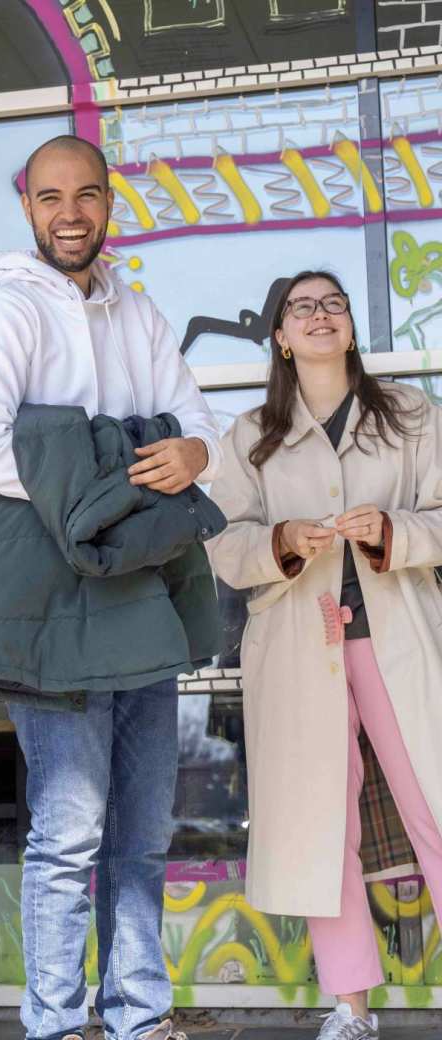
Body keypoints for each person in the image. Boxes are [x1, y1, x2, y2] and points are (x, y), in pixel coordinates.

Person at [0, 135, 220, 1040]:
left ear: (110, 203)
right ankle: (56, 1026)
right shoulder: (5, 317)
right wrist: (117, 475)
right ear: (28, 207)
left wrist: (191, 451)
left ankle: (140, 1018)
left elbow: (195, 421)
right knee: (68, 836)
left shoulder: (138, 313)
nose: (72, 213)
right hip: (50, 606)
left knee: (142, 833)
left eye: (89, 195)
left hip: (140, 593)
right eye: (53, 197)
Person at [207, 270, 442, 1040]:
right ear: (278, 334)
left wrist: (393, 532)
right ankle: (349, 1007)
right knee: (321, 826)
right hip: (301, 650)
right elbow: (223, 543)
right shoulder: (249, 435)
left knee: (435, 808)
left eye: (332, 304)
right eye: (300, 308)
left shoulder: (409, 415)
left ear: (349, 325)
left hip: (398, 639)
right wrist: (278, 541)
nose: (319, 316)